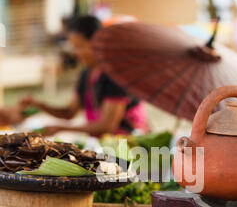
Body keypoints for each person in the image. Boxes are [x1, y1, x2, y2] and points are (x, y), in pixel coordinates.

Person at [19, 16, 148, 137]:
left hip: (130, 145)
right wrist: (39, 105)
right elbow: (69, 112)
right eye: (74, 47)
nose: (76, 53)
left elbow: (108, 125)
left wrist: (62, 128)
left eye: (80, 46)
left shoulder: (116, 75)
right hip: (104, 143)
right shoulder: (86, 74)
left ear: (97, 42)